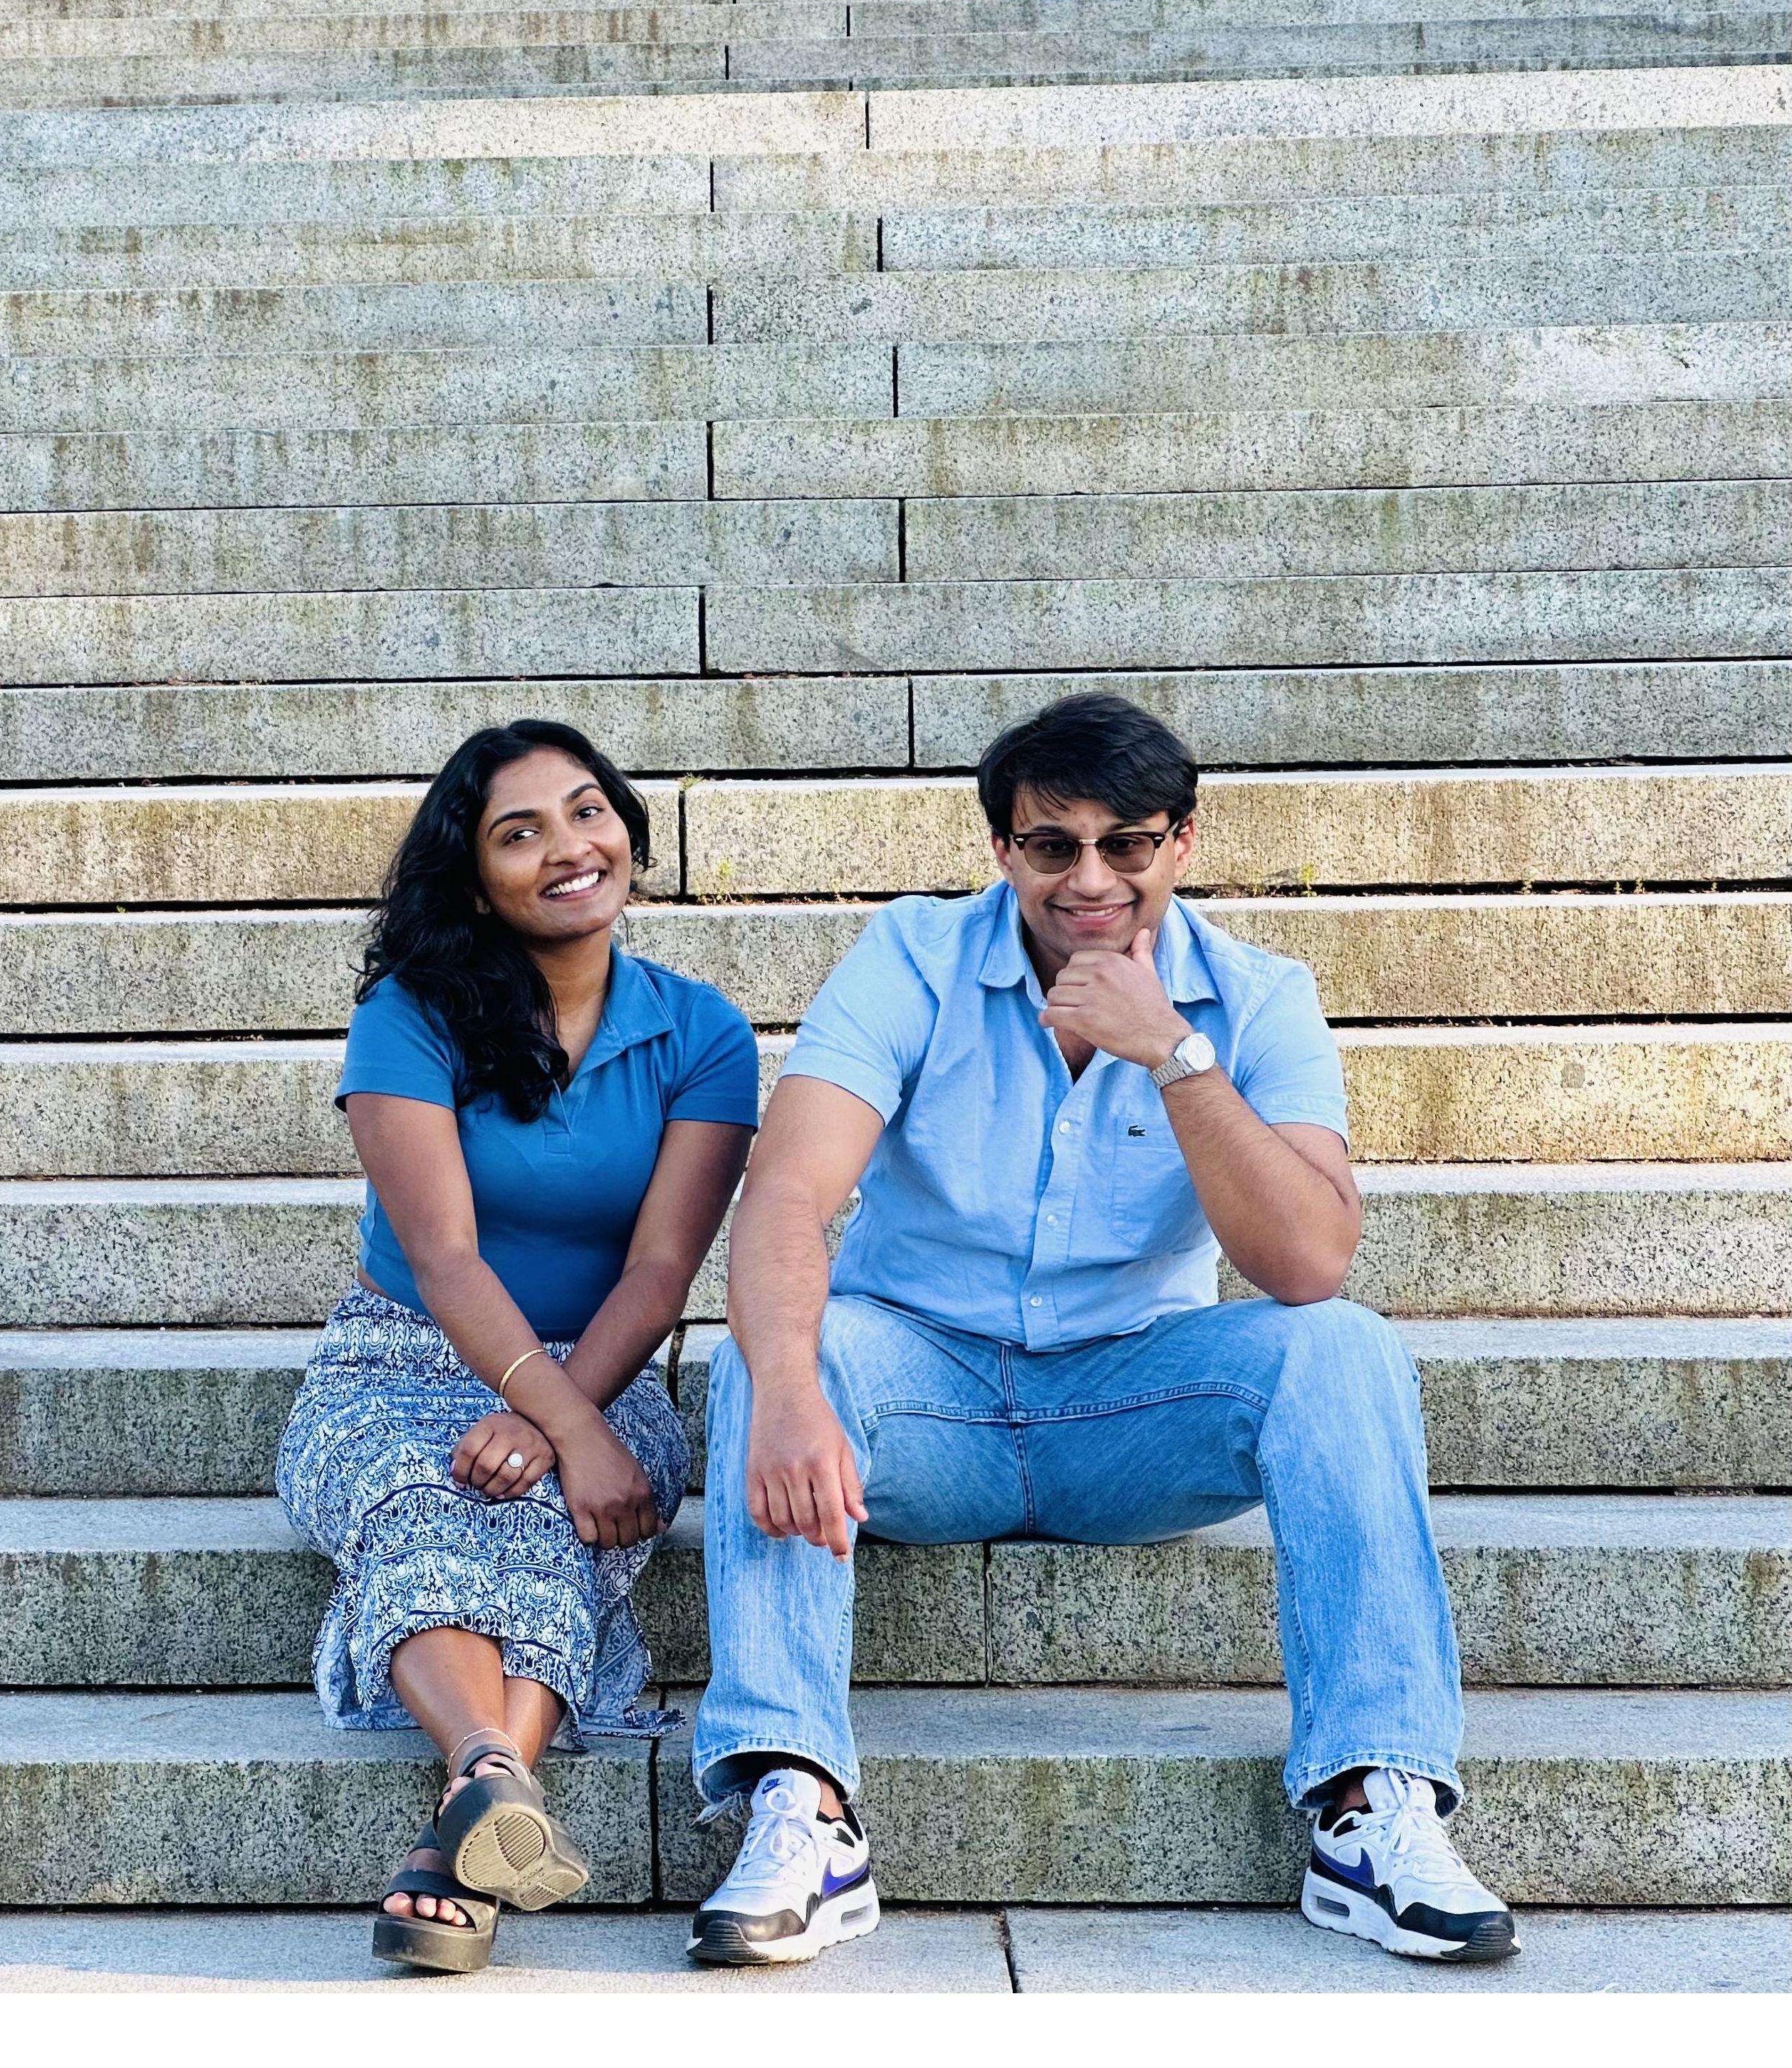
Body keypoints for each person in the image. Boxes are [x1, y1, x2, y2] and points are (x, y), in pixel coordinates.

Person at [687, 692, 1518, 1969]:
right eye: (1051, 845)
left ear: (1180, 843)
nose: (1090, 879)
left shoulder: (1258, 997)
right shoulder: (909, 960)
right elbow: (788, 1197)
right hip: (923, 1398)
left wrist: (1173, 1052)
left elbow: (1305, 1258)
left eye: (1125, 844)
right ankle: (798, 1802)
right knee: (782, 1344)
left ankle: (1372, 1804)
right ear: (1002, 851)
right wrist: (792, 1394)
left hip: (1132, 1410)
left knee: (1342, 1344)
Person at [276, 719, 757, 1974]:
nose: (565, 847)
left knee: (552, 1515)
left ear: (630, 837)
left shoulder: (701, 1034)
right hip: (401, 1356)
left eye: (587, 811)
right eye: (519, 831)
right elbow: (439, 1258)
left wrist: (570, 1417)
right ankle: (488, 1785)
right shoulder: (410, 1013)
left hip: (601, 1359)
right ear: (474, 873)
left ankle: (470, 1811)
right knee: (431, 1497)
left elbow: (661, 1270)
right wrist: (561, 1423)